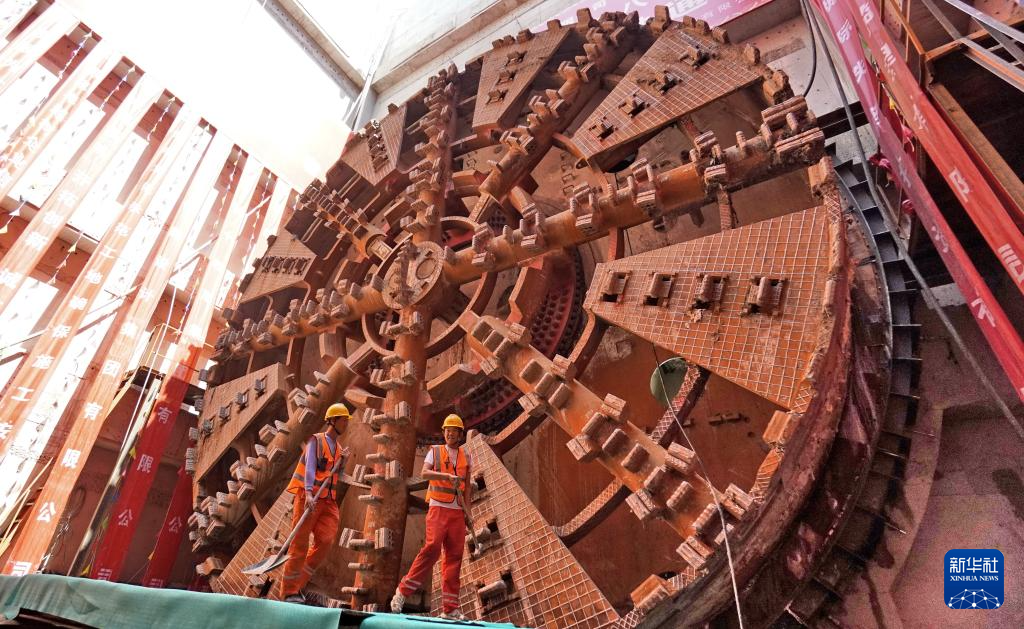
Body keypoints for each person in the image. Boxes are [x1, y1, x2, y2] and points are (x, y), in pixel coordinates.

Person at [391, 413, 472, 619]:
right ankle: (402, 591)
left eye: (454, 431)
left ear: (460, 434)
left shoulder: (466, 456)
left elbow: (467, 487)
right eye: (447, 430)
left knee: (454, 557)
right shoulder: (434, 452)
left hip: (457, 512)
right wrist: (445, 476)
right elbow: (425, 473)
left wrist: (468, 513)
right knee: (432, 548)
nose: (450, 434)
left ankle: (450, 609)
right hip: (438, 508)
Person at [279, 402, 351, 603]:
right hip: (309, 497)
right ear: (333, 421)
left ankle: (299, 584)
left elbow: (337, 474)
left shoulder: (338, 449)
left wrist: (343, 461)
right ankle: (288, 592)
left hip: (327, 501)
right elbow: (310, 467)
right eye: (344, 420)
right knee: (299, 544)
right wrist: (309, 493)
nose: (346, 424)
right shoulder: (316, 441)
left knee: (326, 541)